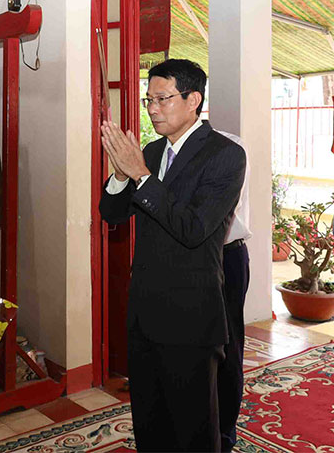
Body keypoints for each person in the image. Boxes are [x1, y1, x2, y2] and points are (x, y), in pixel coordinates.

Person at [99, 59, 246, 451]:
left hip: (190, 316)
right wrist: (119, 175)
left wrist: (142, 177)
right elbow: (112, 214)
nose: (151, 109)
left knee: (194, 430)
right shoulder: (149, 150)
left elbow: (193, 229)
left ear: (193, 99)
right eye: (149, 100)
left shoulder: (225, 155)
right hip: (145, 310)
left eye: (162, 99)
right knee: (151, 424)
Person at [217, 131, 251, 453]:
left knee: (228, 349)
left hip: (226, 255)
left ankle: (224, 436)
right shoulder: (162, 151)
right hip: (190, 259)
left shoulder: (230, 148)